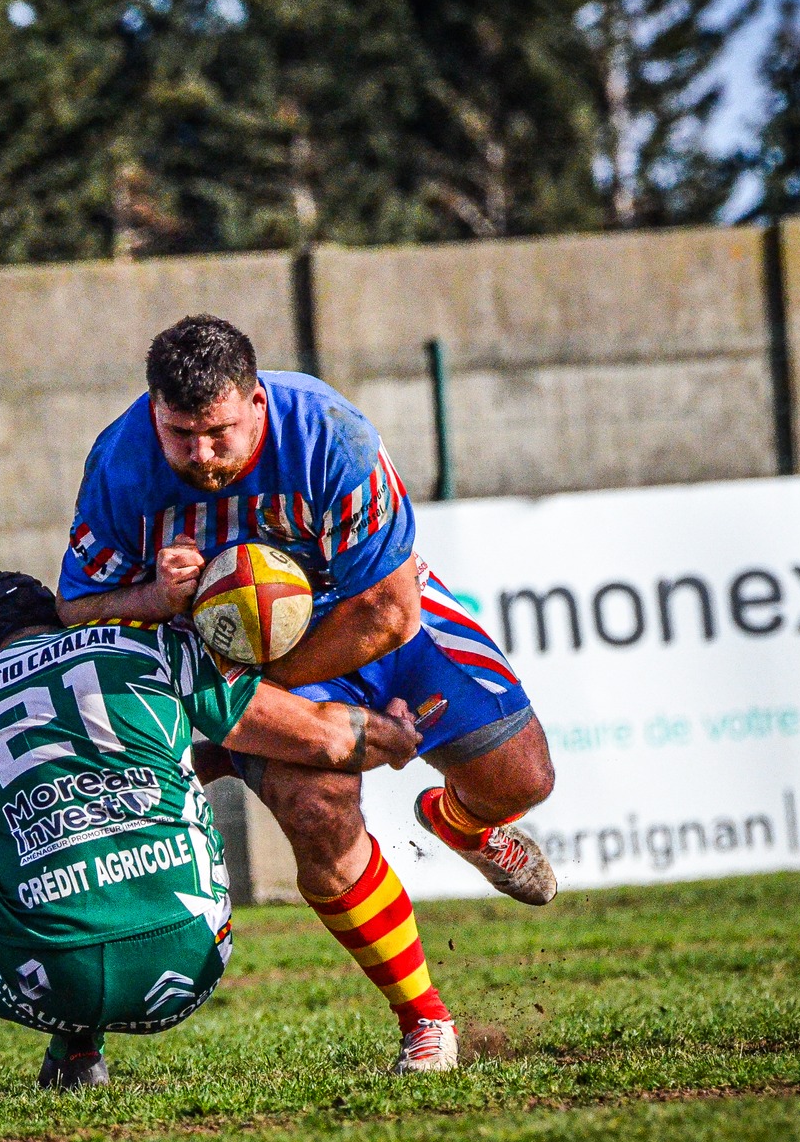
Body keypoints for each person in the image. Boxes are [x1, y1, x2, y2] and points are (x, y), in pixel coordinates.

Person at [52, 315, 557, 1074]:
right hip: (239, 659)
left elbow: (390, 613)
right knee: (319, 810)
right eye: (179, 433)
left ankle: (460, 824)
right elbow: (75, 606)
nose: (199, 454)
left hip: (372, 617)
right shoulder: (122, 464)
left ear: (255, 401)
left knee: (523, 779)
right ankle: (425, 1021)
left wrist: (246, 712)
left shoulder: (330, 435)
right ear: (154, 411)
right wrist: (158, 596)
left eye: (217, 432)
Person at [0, 572, 424, 1112]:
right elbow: (319, 735)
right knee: (96, 855)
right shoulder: (147, 649)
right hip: (194, 957)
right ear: (59, 621)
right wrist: (392, 735)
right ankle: (76, 1056)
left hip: (51, 980)